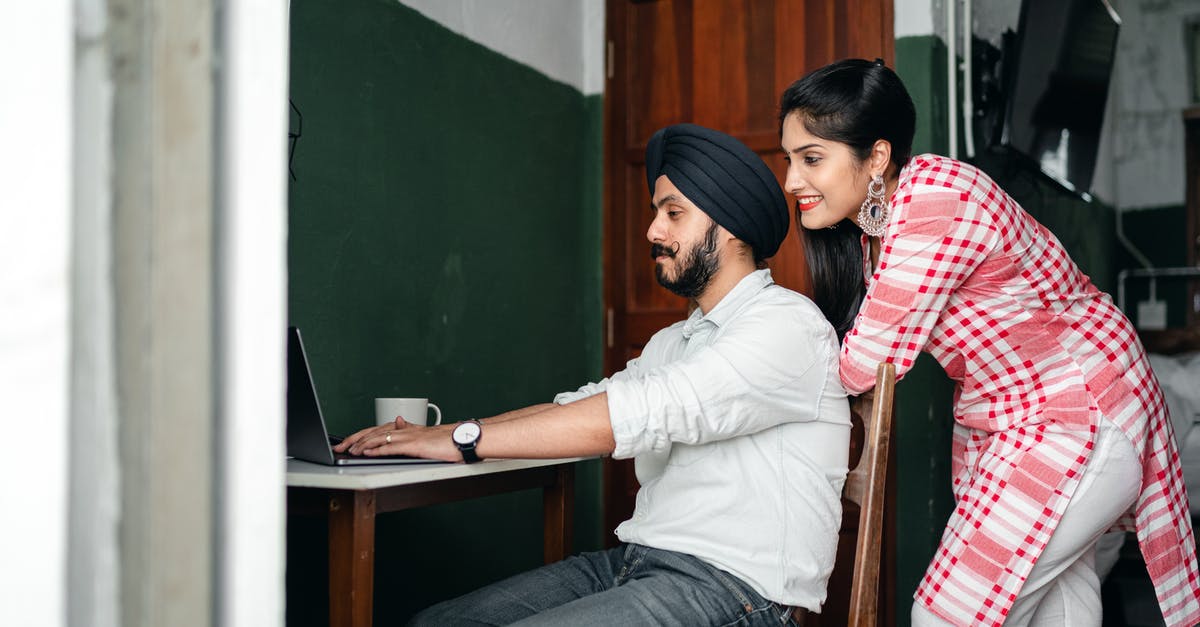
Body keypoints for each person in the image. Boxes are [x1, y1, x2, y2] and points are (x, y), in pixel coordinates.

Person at [335, 123, 851, 625]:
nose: (653, 231)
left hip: (736, 591)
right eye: (656, 213)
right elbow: (581, 407)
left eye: (674, 213)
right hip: (635, 562)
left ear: (732, 226)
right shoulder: (674, 341)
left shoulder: (787, 325)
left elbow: (632, 416)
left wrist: (463, 440)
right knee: (439, 621)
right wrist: (444, 433)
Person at [778, 58, 1200, 627]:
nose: (791, 181)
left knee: (944, 615)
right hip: (1039, 422)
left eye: (811, 159)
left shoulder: (933, 201)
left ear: (875, 156)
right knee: (1060, 616)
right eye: (790, 160)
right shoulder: (879, 228)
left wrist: (760, 373)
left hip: (1076, 414)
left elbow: (867, 362)